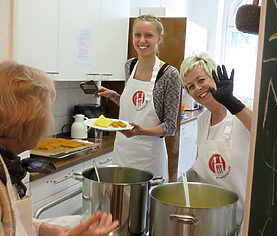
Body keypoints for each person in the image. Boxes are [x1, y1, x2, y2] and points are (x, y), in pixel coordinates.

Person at [0, 61, 119, 236]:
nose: (49, 119)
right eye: (46, 110)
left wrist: (45, 229)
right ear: (25, 121)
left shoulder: (7, 163)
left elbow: (10, 217)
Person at [95, 15, 181, 180]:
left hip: (149, 158)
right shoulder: (130, 66)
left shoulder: (169, 75)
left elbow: (170, 126)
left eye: (148, 35)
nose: (142, 40)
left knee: (145, 203)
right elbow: (134, 106)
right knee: (121, 202)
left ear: (159, 39)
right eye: (137, 35)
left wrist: (140, 131)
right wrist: (112, 95)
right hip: (122, 152)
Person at [179, 52, 253, 234]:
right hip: (213, 216)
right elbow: (200, 165)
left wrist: (231, 103)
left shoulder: (244, 105)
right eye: (190, 86)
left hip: (246, 216)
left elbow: (265, 133)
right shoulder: (203, 119)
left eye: (201, 80)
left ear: (215, 77)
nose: (197, 88)